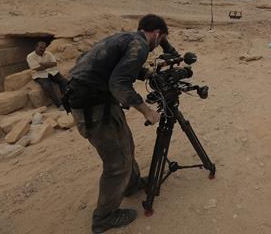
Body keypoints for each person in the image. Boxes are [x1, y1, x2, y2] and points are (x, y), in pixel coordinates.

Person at [66, 14, 179, 233]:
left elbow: (117, 66)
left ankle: (132, 184)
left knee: (126, 144)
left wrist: (145, 73)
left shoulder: (127, 38)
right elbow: (118, 83)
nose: (159, 45)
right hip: (94, 108)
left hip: (100, 102)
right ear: (157, 34)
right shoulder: (140, 45)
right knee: (117, 164)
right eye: (161, 39)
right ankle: (104, 218)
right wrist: (146, 111)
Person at [26, 41, 68, 109]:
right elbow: (37, 68)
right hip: (40, 75)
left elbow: (54, 63)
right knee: (47, 86)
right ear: (36, 47)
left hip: (52, 72)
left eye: (44, 48)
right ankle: (59, 104)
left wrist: (43, 65)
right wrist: (48, 64)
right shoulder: (30, 56)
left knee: (63, 81)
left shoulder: (48, 53)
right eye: (40, 47)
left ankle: (66, 99)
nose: (42, 49)